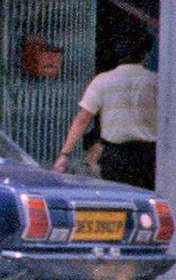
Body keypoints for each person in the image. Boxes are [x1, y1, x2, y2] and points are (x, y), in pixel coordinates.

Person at [54, 32, 158, 189]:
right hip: (148, 155)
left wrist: (64, 154)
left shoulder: (102, 81)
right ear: (145, 54)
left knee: (116, 200)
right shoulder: (156, 81)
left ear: (118, 54)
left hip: (114, 156)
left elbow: (83, 118)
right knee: (146, 201)